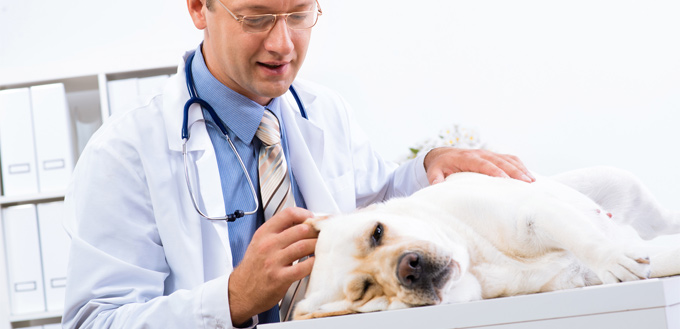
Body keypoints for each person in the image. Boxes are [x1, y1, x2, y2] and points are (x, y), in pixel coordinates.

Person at [61, 0, 534, 328]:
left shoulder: (325, 111)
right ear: (198, 8)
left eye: (300, 14)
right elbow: (95, 320)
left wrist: (430, 163)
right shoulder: (123, 154)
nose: (283, 44)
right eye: (257, 18)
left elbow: (374, 205)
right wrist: (231, 299)